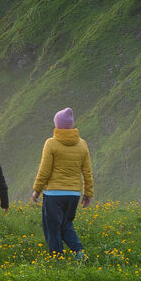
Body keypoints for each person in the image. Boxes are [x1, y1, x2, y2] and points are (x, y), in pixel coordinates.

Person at [31, 107, 93, 257]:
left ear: (57, 124)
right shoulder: (82, 144)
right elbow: (87, 172)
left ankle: (56, 259)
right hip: (73, 194)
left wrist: (37, 190)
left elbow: (44, 170)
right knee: (66, 225)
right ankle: (78, 252)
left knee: (52, 228)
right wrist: (88, 194)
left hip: (53, 194)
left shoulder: (51, 143)